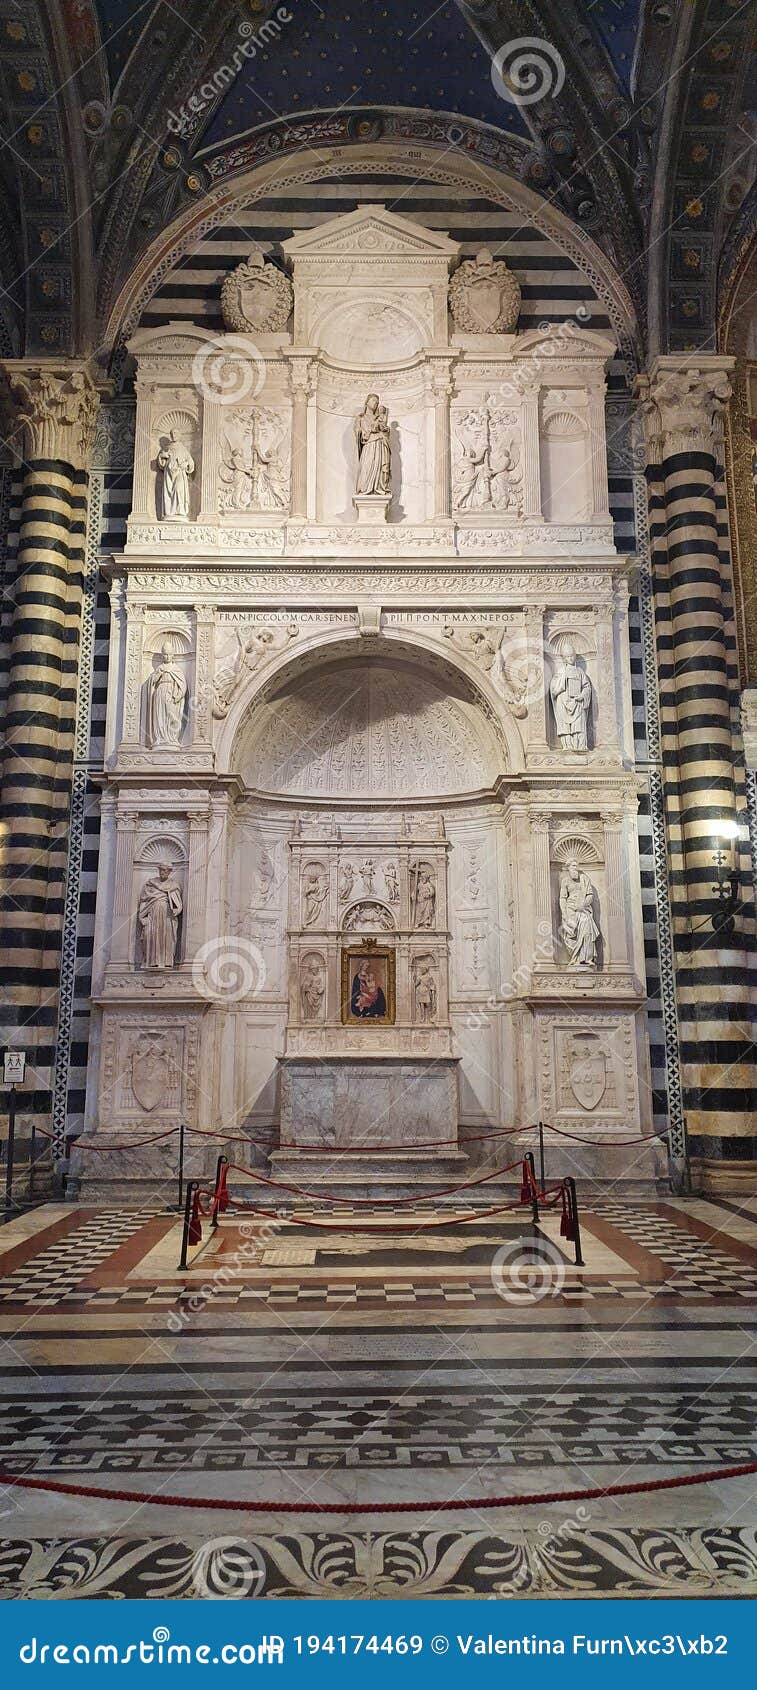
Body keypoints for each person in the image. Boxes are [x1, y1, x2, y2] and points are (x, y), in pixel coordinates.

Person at [138, 862, 183, 969]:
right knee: (150, 935)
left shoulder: (173, 885)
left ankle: (167, 961)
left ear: (169, 872)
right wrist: (142, 917)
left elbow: (178, 902)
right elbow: (144, 900)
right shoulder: (151, 884)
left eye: (165, 870)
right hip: (152, 914)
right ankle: (152, 961)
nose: (163, 872)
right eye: (161, 870)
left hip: (167, 914)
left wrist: (177, 910)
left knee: (168, 936)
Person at [559, 861, 599, 968]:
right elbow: (563, 898)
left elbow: (590, 895)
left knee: (587, 932)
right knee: (571, 935)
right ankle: (575, 958)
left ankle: (587, 958)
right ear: (568, 868)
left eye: (576, 866)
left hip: (583, 910)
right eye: (573, 866)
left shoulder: (584, 879)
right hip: (570, 910)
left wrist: (583, 905)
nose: (575, 868)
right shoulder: (565, 881)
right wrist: (564, 914)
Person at [146, 645, 187, 747]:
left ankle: (172, 738)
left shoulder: (176, 669)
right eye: (165, 655)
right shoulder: (160, 668)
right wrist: (157, 675)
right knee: (160, 714)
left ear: (173, 655)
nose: (167, 657)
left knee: (172, 715)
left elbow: (182, 684)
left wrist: (179, 695)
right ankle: (160, 737)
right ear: (162, 655)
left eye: (169, 654)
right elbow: (152, 682)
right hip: (160, 692)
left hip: (172, 694)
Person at [355, 394, 391, 495]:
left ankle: (378, 487)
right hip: (369, 446)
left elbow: (384, 432)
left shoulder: (380, 418)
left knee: (380, 470)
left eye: (377, 402)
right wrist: (367, 431)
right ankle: (364, 488)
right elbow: (358, 434)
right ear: (367, 402)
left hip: (379, 446)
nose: (376, 403)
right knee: (366, 467)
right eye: (374, 400)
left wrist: (385, 431)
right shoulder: (361, 417)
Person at [158, 430, 194, 519]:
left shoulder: (182, 448)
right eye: (172, 433)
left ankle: (180, 511)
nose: (173, 435)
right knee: (168, 491)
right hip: (168, 472)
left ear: (179, 435)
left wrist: (186, 464)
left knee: (179, 489)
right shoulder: (167, 448)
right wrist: (163, 456)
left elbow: (190, 462)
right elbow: (161, 462)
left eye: (175, 433)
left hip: (180, 472)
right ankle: (169, 512)